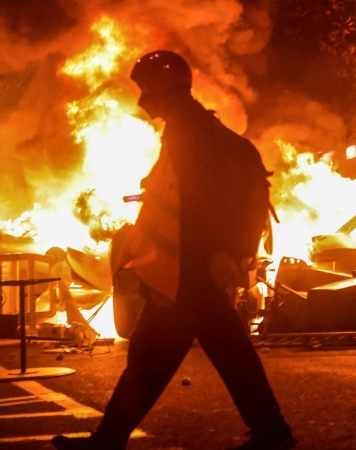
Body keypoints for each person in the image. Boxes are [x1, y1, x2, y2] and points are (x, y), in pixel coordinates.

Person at [52, 50, 296, 450]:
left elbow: (198, 200)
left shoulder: (189, 131)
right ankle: (272, 431)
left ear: (163, 88)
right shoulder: (195, 127)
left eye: (145, 88)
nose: (141, 99)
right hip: (191, 272)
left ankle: (109, 442)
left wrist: (210, 255)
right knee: (216, 353)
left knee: (155, 359)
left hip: (187, 273)